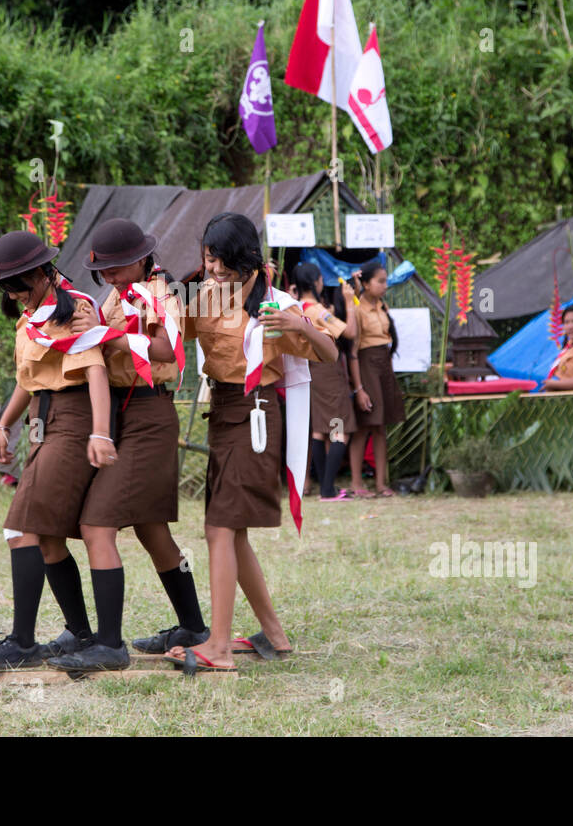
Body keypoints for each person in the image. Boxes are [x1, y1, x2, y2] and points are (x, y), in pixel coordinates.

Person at [167, 213, 337, 673]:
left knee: (220, 529)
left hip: (256, 414)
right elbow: (167, 335)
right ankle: (274, 635)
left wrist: (299, 326)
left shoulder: (277, 305)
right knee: (231, 530)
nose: (215, 271)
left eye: (223, 263)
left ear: (246, 260)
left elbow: (331, 352)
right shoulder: (200, 296)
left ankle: (218, 647)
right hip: (221, 413)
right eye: (208, 260)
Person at [47, 218, 209, 670]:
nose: (110, 277)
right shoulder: (120, 294)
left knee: (98, 524)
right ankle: (193, 626)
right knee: (151, 528)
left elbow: (166, 351)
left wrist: (113, 336)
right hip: (123, 412)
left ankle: (109, 644)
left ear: (140, 259)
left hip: (148, 413)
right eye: (104, 271)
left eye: (117, 268)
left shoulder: (160, 293)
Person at [0, 230, 116, 670]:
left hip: (73, 425)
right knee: (49, 538)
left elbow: (95, 372)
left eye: (16, 285)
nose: (12, 295)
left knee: (21, 530)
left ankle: (22, 643)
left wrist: (102, 433)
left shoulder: (76, 310)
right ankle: (80, 632)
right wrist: (4, 425)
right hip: (42, 422)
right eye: (6, 288)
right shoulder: (31, 317)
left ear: (39, 274)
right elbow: (27, 379)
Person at [292, 263, 359, 502]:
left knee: (320, 430)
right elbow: (349, 332)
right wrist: (350, 302)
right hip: (328, 372)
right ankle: (328, 490)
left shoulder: (298, 307)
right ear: (315, 282)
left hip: (312, 370)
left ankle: (325, 488)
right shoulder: (318, 310)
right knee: (339, 429)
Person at [347, 261, 406, 498]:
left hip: (384, 365)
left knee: (380, 426)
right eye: (380, 281)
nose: (384, 286)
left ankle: (382, 483)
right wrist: (359, 388)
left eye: (385, 281)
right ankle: (356, 483)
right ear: (366, 283)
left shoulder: (383, 306)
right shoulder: (358, 309)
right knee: (364, 426)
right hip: (366, 365)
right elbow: (352, 351)